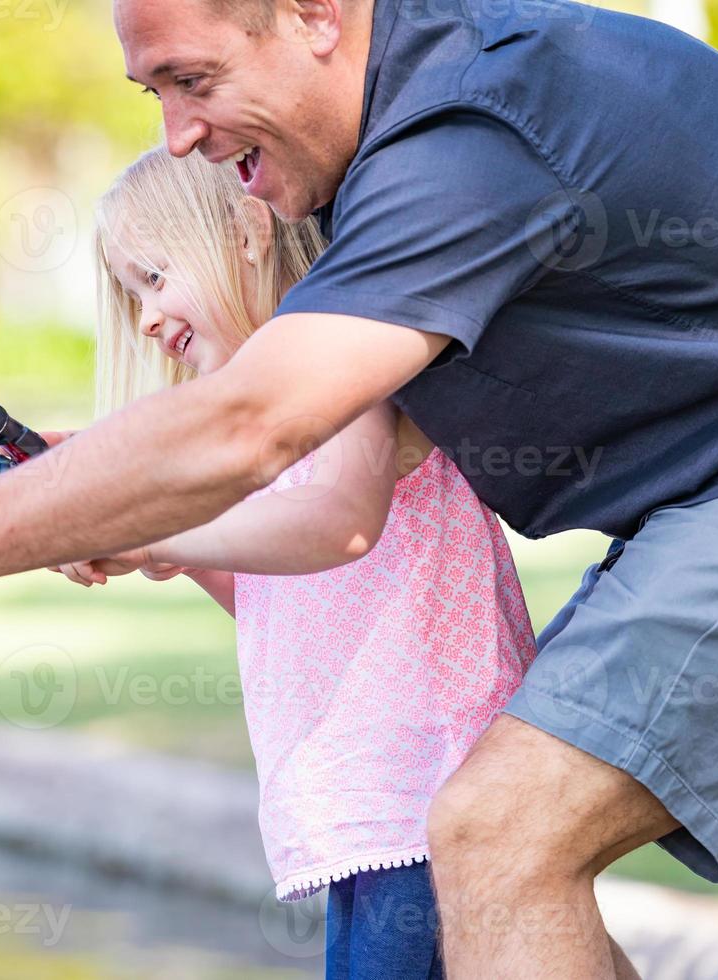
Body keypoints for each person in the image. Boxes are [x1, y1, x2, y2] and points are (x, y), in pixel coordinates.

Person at [0, 2, 718, 974]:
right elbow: (248, 452)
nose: (179, 133)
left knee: (502, 832)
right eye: (153, 90)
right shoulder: (393, 153)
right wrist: (114, 496)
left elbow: (252, 425)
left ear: (314, 13)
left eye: (192, 80)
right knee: (502, 840)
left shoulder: (468, 133)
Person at [54, 144, 538, 975]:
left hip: (426, 789)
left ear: (245, 234)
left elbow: (339, 525)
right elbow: (292, 602)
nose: (144, 319)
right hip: (373, 806)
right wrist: (158, 547)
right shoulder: (290, 411)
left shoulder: (345, 362)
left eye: (156, 278)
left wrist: (161, 533)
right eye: (133, 294)